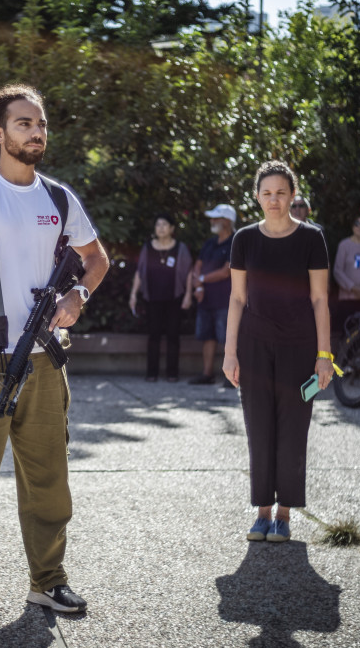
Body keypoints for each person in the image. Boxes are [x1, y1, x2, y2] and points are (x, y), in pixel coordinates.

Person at [0, 84, 108, 622]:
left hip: (44, 362)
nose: (37, 131)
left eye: (41, 123)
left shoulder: (58, 198)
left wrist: (78, 295)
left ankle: (48, 582)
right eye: (25, 122)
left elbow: (96, 259)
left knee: (49, 480)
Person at [222, 161, 332, 543]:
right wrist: (229, 352)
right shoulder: (244, 240)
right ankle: (262, 512)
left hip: (300, 346)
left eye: (281, 192)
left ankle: (284, 513)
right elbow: (237, 298)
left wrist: (325, 355)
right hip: (253, 345)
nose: (274, 199)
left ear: (292, 195)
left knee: (292, 430)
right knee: (259, 428)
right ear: (257, 196)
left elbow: (320, 300)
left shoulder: (312, 239)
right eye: (266, 193)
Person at [129, 212, 192, 381]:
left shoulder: (180, 248)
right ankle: (152, 373)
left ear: (172, 228)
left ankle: (172, 373)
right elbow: (139, 272)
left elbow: (188, 273)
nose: (161, 228)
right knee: (153, 335)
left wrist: (188, 295)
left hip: (175, 297)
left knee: (173, 335)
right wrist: (133, 294)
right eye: (158, 225)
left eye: (165, 225)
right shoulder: (148, 247)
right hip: (152, 298)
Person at [188, 203, 236, 385]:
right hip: (206, 299)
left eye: (216, 217)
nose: (212, 221)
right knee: (207, 336)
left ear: (227, 221)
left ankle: (231, 377)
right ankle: (207, 374)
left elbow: (226, 271)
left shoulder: (235, 241)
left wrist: (201, 279)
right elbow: (198, 265)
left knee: (227, 339)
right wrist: (198, 286)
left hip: (226, 300)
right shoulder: (209, 243)